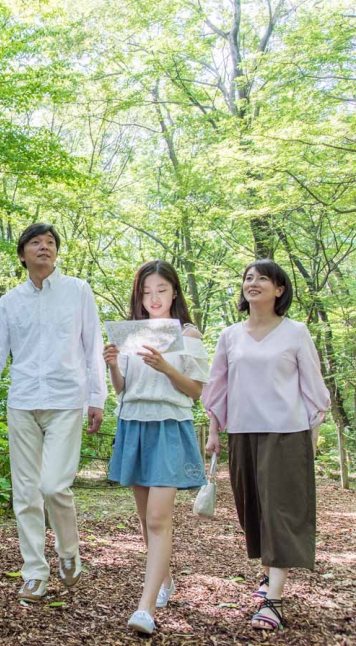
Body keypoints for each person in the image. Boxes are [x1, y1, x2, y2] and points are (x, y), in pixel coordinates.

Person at [0, 222, 107, 602]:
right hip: (22, 402)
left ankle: (69, 551)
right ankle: (34, 572)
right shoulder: (10, 301)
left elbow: (93, 345)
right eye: (36, 242)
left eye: (50, 242)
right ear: (22, 254)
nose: (44, 247)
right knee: (26, 493)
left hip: (66, 401)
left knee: (53, 486)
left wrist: (97, 397)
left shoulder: (78, 291)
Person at [202, 259, 330, 632]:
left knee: (281, 513)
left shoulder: (296, 332)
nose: (253, 282)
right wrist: (214, 431)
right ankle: (268, 573)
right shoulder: (230, 335)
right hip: (243, 432)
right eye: (248, 277)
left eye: (263, 278)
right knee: (253, 511)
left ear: (279, 289)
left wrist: (312, 433)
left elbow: (313, 386)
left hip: (286, 434)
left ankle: (273, 601)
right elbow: (218, 387)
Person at [104, 260, 209, 635]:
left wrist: (167, 367)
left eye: (161, 290)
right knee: (145, 518)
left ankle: (145, 608)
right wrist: (113, 365)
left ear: (174, 292)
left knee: (158, 519)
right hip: (134, 424)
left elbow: (195, 391)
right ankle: (164, 580)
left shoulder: (188, 334)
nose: (154, 298)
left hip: (169, 426)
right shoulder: (130, 332)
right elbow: (122, 389)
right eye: (147, 291)